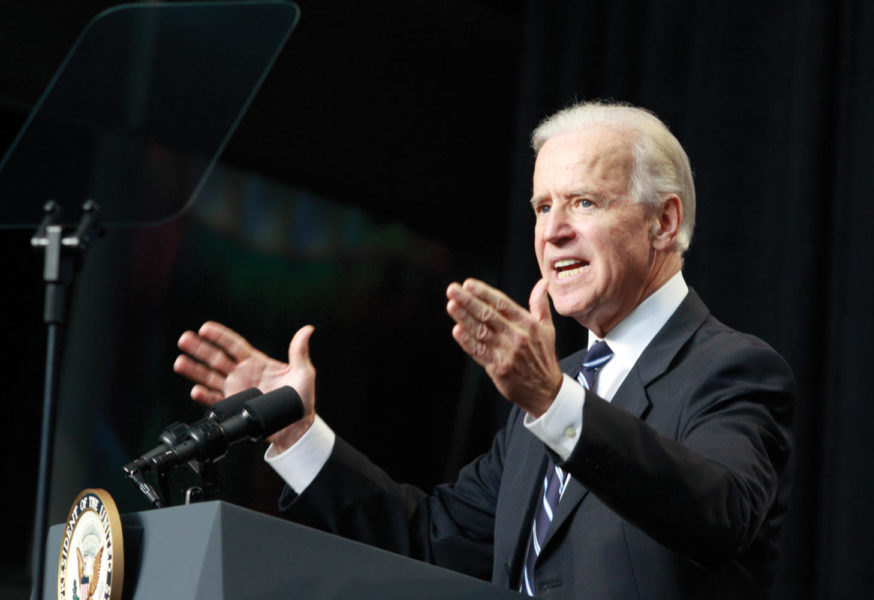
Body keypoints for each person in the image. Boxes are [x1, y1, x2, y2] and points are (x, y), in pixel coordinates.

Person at [174, 101, 795, 599]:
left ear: (664, 222)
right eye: (543, 206)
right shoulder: (552, 390)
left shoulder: (731, 370)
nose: (552, 231)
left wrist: (554, 402)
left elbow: (719, 515)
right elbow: (431, 541)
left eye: (584, 202)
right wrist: (297, 433)